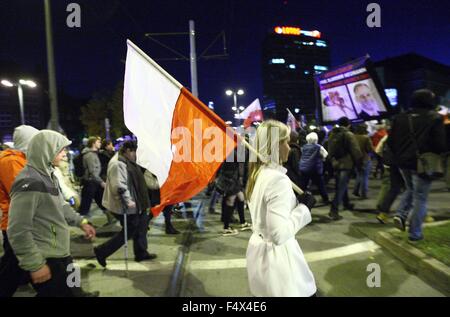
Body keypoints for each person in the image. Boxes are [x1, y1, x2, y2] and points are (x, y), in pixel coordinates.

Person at [7, 130, 97, 297]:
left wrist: (81, 222)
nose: (64, 154)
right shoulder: (29, 181)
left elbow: (61, 206)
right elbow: (17, 229)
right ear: (47, 150)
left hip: (61, 249)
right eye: (61, 149)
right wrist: (35, 265)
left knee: (74, 285)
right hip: (47, 255)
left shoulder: (48, 175)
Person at [245, 120, 317, 297]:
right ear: (274, 146)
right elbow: (278, 234)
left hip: (260, 253)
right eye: (285, 141)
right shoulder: (278, 180)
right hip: (278, 260)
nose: (289, 147)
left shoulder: (258, 174)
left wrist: (295, 203)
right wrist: (304, 209)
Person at [388, 89, 446, 242]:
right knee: (420, 197)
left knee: (411, 189)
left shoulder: (399, 118)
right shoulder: (435, 118)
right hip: (423, 163)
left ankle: (400, 214)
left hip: (402, 163)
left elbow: (390, 142)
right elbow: (440, 144)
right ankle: (415, 234)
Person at [94, 141, 156, 267]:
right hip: (128, 204)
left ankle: (141, 252)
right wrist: (128, 201)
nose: (136, 156)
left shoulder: (129, 161)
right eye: (134, 152)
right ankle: (102, 251)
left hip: (139, 202)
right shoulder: (118, 163)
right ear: (127, 150)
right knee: (130, 230)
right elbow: (119, 185)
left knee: (142, 227)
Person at [0, 125, 39, 297]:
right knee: (11, 268)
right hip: (16, 223)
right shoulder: (11, 161)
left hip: (20, 222)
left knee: (16, 265)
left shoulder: (20, 159)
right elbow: (23, 192)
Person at [327, 117, 363, 220]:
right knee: (341, 188)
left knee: (341, 185)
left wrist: (333, 161)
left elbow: (329, 149)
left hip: (336, 164)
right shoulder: (348, 134)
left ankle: (346, 204)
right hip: (346, 164)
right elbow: (355, 150)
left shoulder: (332, 134)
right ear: (349, 124)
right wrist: (359, 164)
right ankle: (333, 210)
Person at [215, 150, 251, 236]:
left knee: (241, 197)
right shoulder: (231, 153)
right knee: (230, 200)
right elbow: (230, 168)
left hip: (232, 180)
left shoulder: (232, 151)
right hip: (230, 181)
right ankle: (226, 228)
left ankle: (243, 222)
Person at [299, 132, 330, 204]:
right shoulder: (319, 147)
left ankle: (299, 198)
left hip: (304, 168)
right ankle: (325, 199)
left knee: (303, 185)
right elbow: (325, 155)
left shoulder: (304, 147)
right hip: (314, 169)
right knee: (320, 184)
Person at [79, 136, 106, 216]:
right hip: (90, 182)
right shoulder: (89, 155)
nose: (100, 144)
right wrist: (101, 182)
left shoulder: (94, 153)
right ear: (93, 143)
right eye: (98, 142)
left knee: (101, 201)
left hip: (94, 182)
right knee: (85, 205)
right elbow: (93, 171)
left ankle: (111, 217)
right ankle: (82, 223)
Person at [353, 124, 374, 199]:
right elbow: (370, 149)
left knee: (359, 175)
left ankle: (355, 190)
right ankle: (364, 194)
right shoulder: (366, 138)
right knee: (365, 177)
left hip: (356, 159)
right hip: (365, 158)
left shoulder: (353, 137)